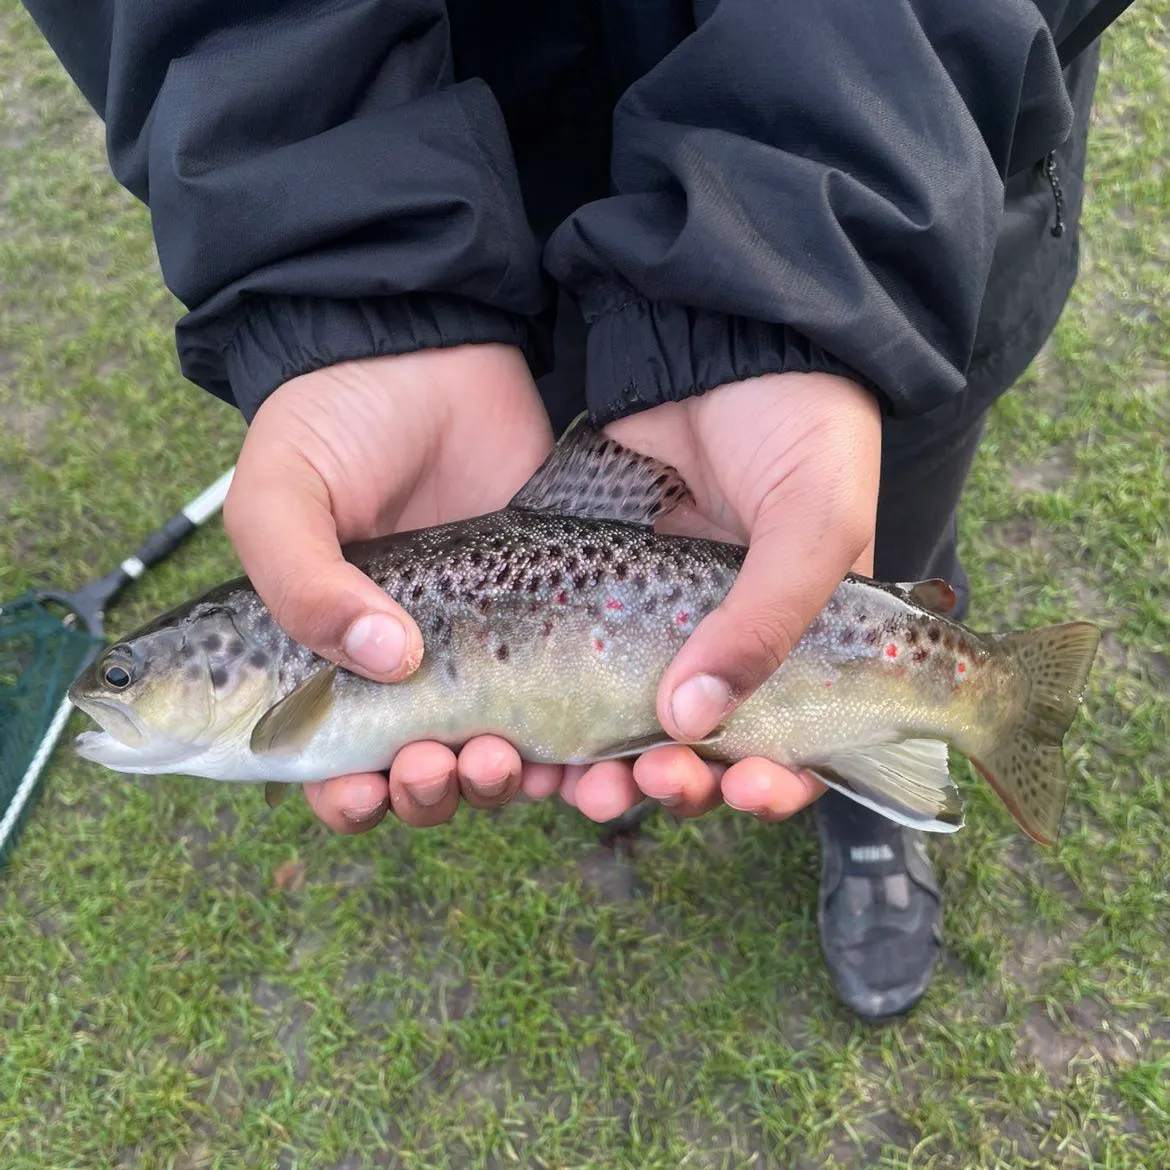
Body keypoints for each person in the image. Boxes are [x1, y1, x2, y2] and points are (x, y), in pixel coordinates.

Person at [21, 0, 1109, 1019]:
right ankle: (665, 744)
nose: (108, 690)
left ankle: (880, 778)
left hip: (901, 207)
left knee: (858, 510)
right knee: (678, 489)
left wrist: (801, 291)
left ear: (239, 664)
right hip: (493, 244)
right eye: (123, 675)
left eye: (123, 676)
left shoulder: (284, 706)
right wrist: (353, 289)